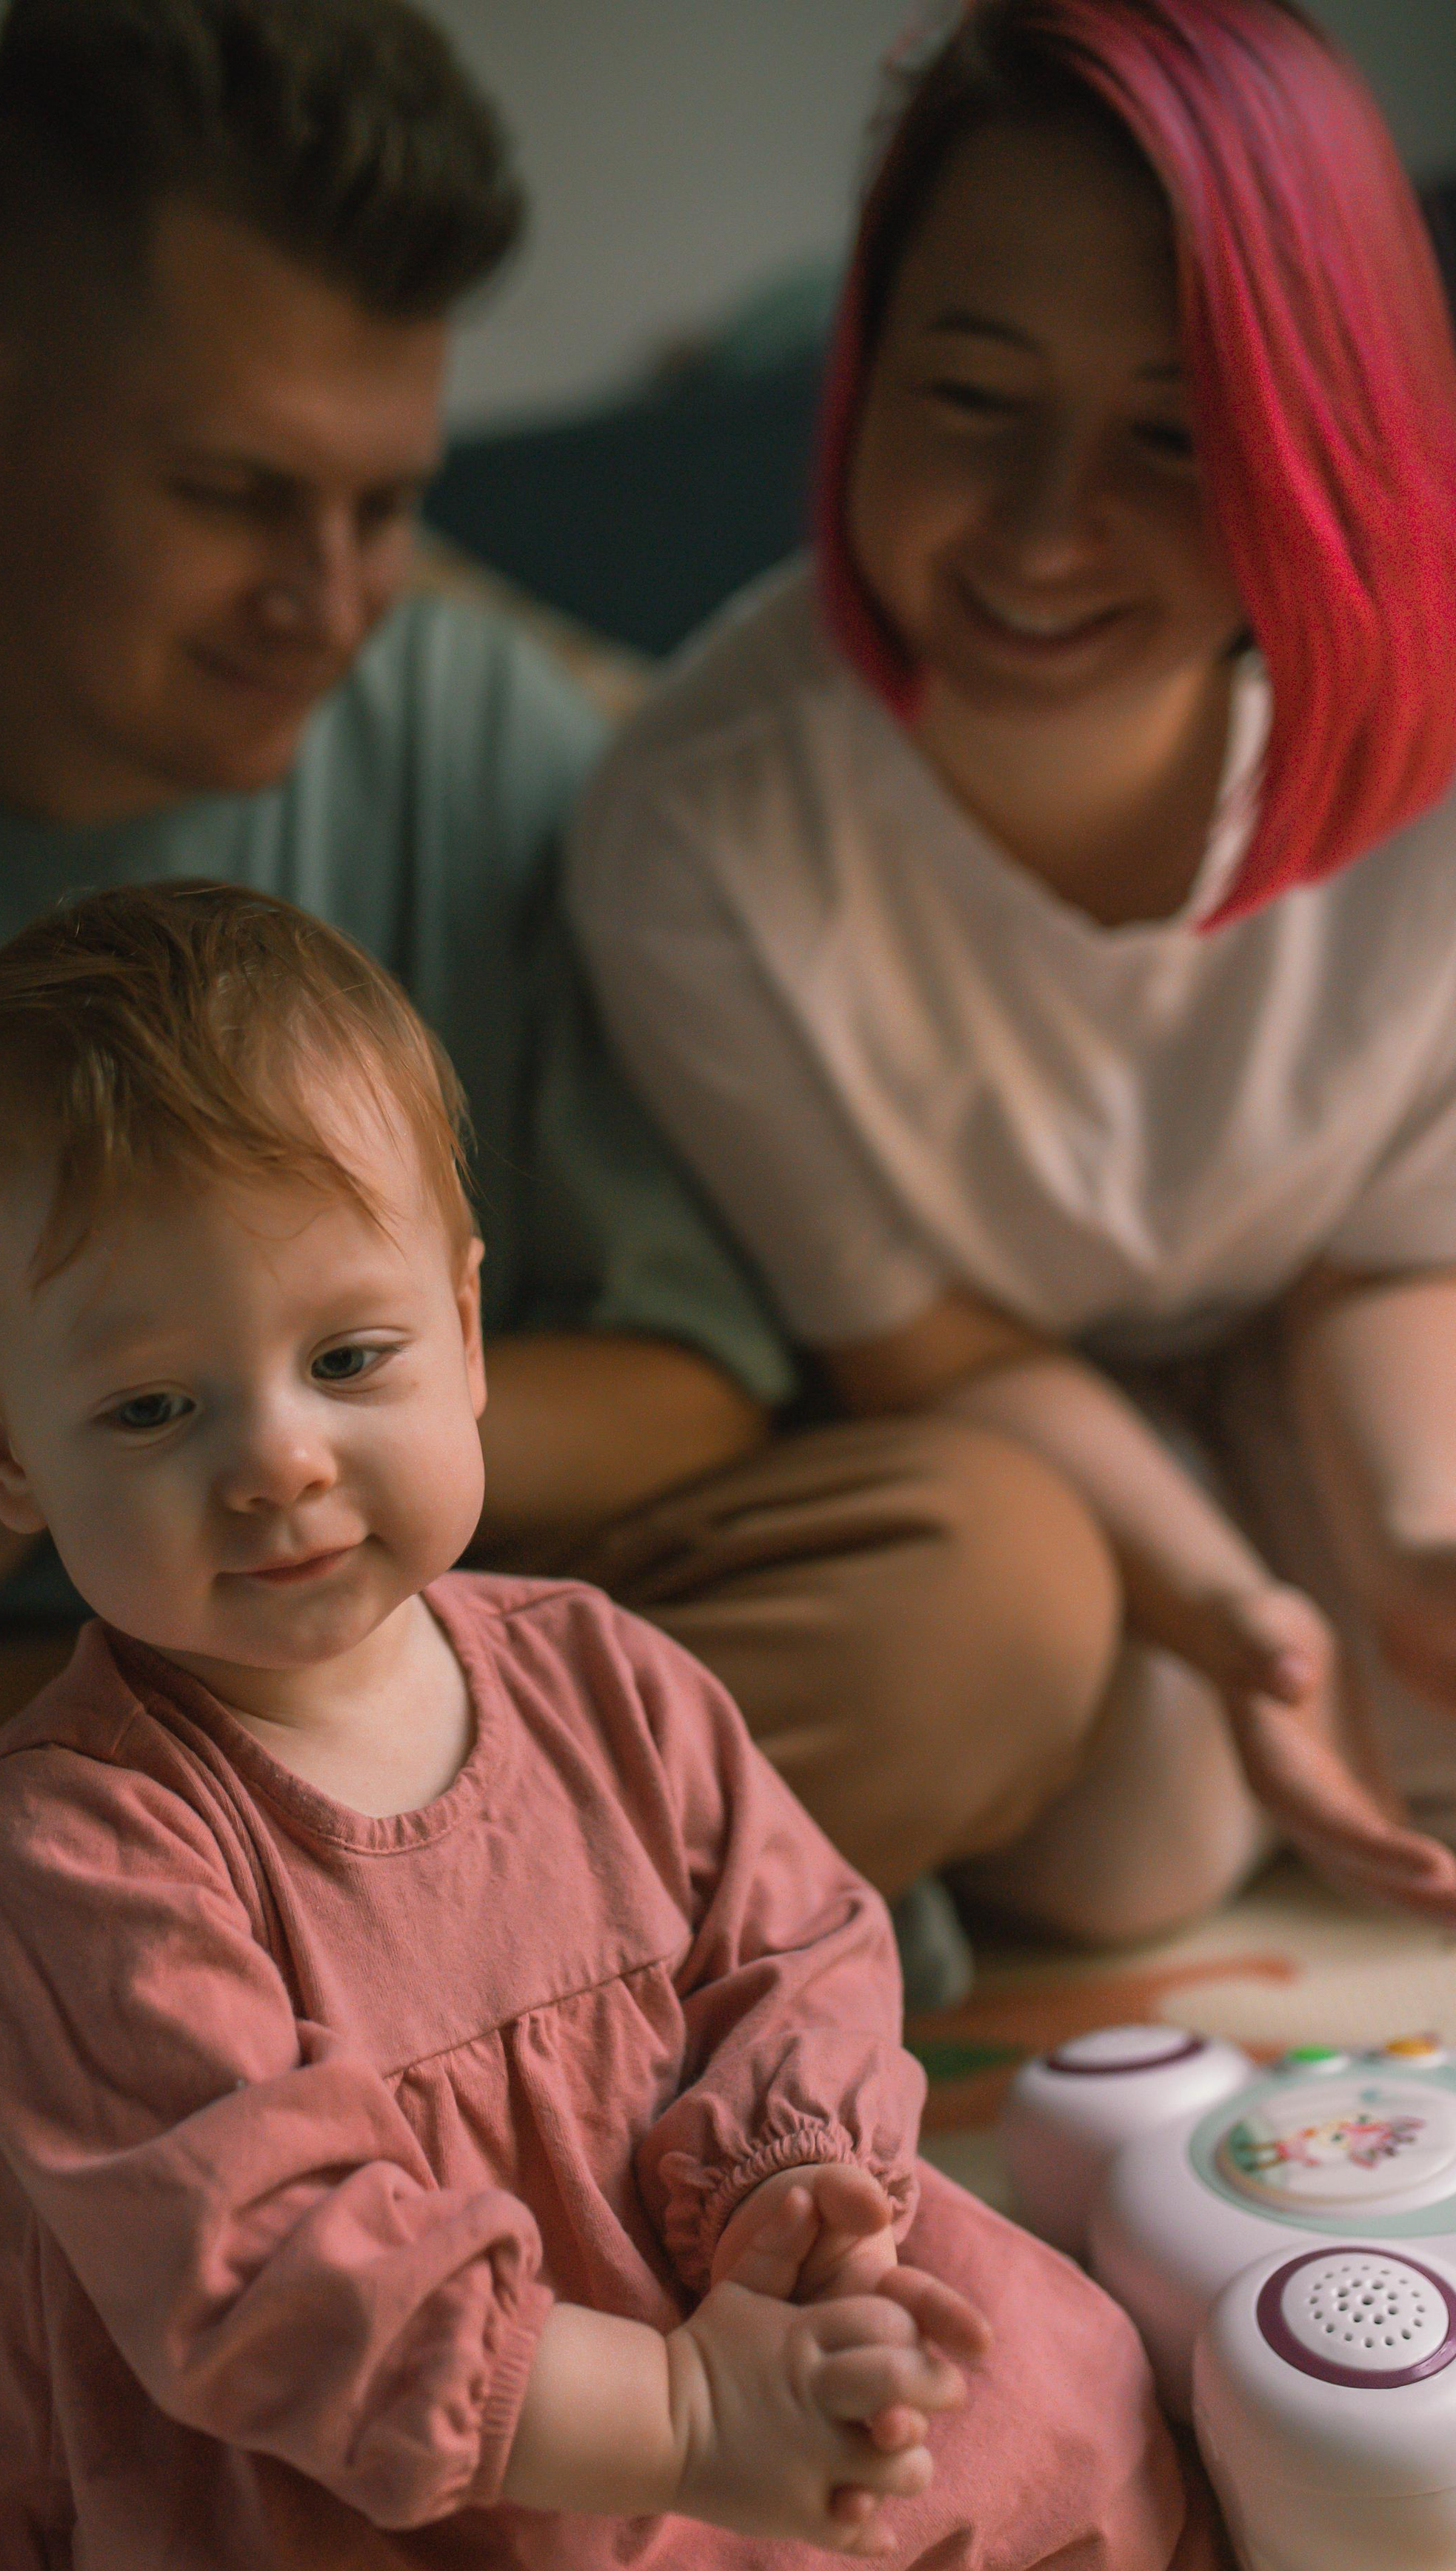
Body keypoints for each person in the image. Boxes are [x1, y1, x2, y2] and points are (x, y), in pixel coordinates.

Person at [0, 0, 1121, 2455]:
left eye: (383, 503)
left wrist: (318, 1442)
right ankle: (201, 2090)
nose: (332, 594)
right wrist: (78, 1458)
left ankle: (168, 2085)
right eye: (233, 492)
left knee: (995, 1581)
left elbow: (704, 1369)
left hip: (449, 1710)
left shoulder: (488, 738)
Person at [0, 880, 1215, 2571]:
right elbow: (277, 2277)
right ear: (2, 1454)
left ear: (472, 1330)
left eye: (348, 1354)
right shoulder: (78, 1835)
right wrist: (673, 2423)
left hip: (701, 2315)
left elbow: (804, 1948)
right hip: (322, 2495)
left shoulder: (602, 1670)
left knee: (1077, 2406)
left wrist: (794, 2221)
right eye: (152, 1405)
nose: (275, 1458)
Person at [570, 0, 1456, 1952]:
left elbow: (1390, 1250)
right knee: (1128, 1832)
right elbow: (940, 1349)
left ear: (1315, 436)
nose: (1052, 529)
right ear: (866, 366)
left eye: (1169, 434)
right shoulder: (696, 829)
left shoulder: (1425, 771)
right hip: (1004, 1433)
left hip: (1342, 1352)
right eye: (974, 395)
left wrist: (1413, 1545)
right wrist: (1249, 1623)